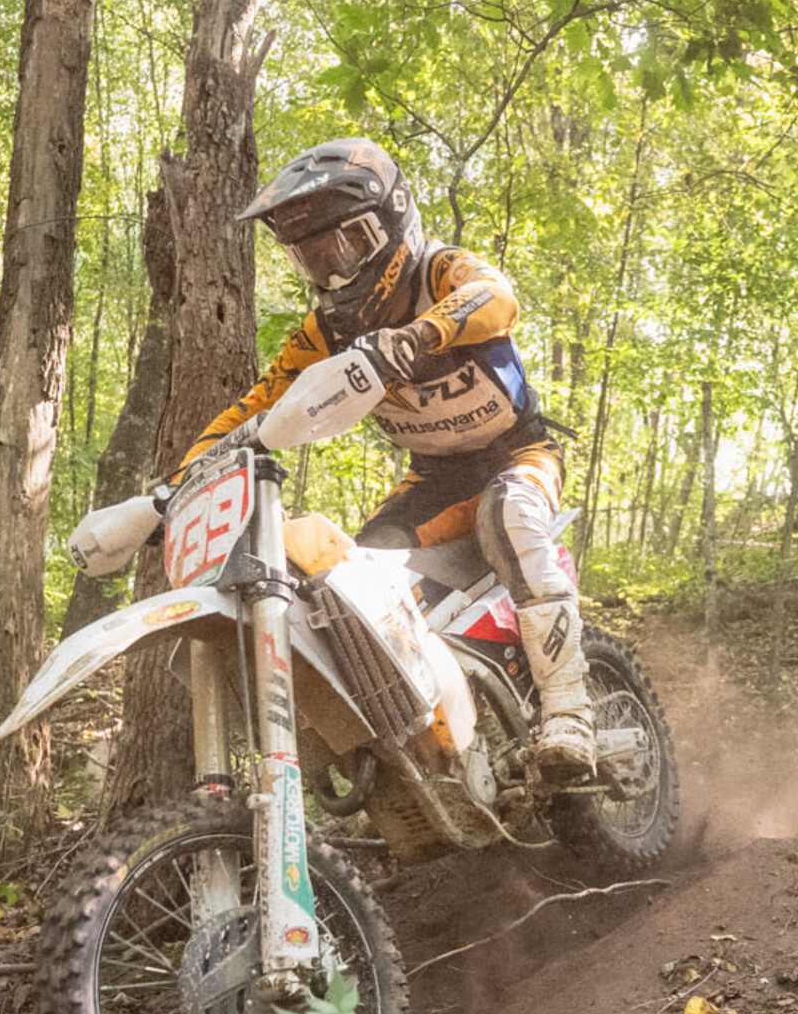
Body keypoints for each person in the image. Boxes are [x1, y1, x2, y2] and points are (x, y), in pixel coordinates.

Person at [172, 138, 593, 781]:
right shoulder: (322, 335)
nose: (334, 273)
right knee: (353, 584)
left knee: (512, 514)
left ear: (394, 222)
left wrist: (417, 335)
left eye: (348, 245)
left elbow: (498, 296)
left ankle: (569, 709)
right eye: (313, 258)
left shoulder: (439, 272)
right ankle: (427, 748)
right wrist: (174, 488)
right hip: (433, 481)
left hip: (518, 453)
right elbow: (249, 408)